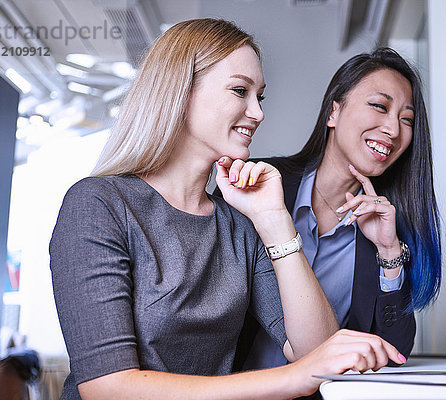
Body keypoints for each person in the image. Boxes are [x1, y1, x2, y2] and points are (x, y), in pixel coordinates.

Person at [49, 19, 406, 400]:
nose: (258, 113)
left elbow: (314, 349)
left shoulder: (238, 223)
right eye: (240, 90)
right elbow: (107, 388)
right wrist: (295, 378)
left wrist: (274, 221)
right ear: (180, 92)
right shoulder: (98, 204)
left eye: (260, 97)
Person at [230, 48, 442, 371]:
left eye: (406, 120)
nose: (394, 130)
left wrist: (388, 252)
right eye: (380, 106)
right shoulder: (259, 186)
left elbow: (395, 351)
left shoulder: (388, 226)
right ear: (333, 112)